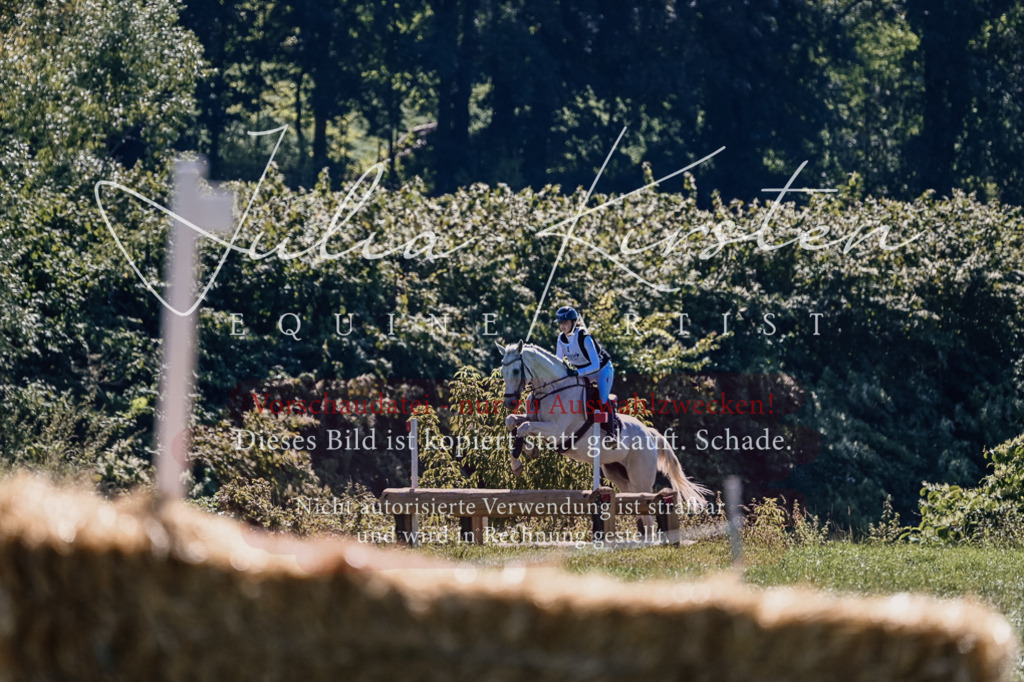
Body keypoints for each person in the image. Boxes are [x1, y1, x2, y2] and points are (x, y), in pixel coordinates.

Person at [554, 306, 617, 432]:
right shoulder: (561, 339)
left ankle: (611, 431)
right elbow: (558, 361)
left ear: (573, 322)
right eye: (560, 323)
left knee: (602, 399)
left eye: (565, 322)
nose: (562, 326)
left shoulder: (584, 337)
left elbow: (595, 365)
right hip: (584, 372)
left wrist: (576, 372)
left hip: (602, 370)